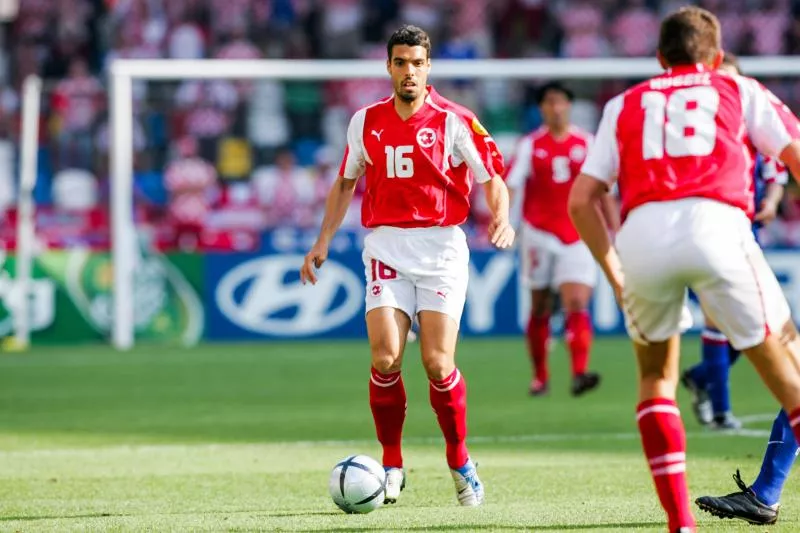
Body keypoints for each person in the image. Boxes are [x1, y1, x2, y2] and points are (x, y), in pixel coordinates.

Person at [567, 7, 800, 533]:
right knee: (793, 382)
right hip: (717, 223)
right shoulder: (737, 89)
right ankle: (766, 490)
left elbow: (582, 200)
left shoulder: (624, 103)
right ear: (717, 58)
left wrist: (613, 270)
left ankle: (680, 525)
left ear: (658, 58)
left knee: (655, 378)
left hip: (642, 233)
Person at [300, 25, 513, 507]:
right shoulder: (365, 121)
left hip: (440, 251)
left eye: (417, 63)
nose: (409, 71)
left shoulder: (455, 120)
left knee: (438, 364)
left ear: (429, 67)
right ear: (389, 67)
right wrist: (323, 240)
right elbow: (345, 183)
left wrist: (501, 216)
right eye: (400, 63)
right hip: (386, 248)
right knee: (384, 358)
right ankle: (392, 464)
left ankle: (460, 462)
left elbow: (492, 177)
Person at [681, 52, 789, 431]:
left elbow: (777, 172)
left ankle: (701, 376)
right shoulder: (698, 131)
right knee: (722, 319)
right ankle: (721, 411)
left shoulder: (756, 126)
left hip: (747, 229)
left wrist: (772, 204)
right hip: (709, 229)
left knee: (753, 324)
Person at [506, 81, 617, 397]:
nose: (556, 108)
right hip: (538, 234)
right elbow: (511, 184)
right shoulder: (529, 145)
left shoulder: (588, 142)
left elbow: (604, 188)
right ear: (541, 108)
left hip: (579, 233)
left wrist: (614, 228)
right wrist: (504, 222)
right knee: (540, 306)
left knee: (577, 301)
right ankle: (540, 376)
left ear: (569, 106)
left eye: (561, 102)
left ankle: (580, 372)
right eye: (549, 102)